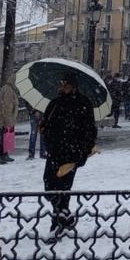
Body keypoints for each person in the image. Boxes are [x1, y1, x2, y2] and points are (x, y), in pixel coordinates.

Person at [40, 73, 97, 239]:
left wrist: (83, 151)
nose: (62, 87)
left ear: (73, 86)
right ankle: (66, 218)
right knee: (49, 186)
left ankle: (58, 221)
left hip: (71, 154)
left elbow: (89, 130)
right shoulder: (55, 103)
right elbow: (46, 123)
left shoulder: (83, 103)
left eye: (65, 84)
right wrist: (45, 131)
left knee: (63, 188)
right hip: (55, 152)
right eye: (61, 84)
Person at [0, 82, 19, 164]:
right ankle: (1, 156)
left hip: (8, 117)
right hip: (7, 118)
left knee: (7, 137)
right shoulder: (8, 89)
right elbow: (7, 105)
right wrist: (8, 120)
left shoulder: (10, 88)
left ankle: (4, 154)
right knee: (4, 137)